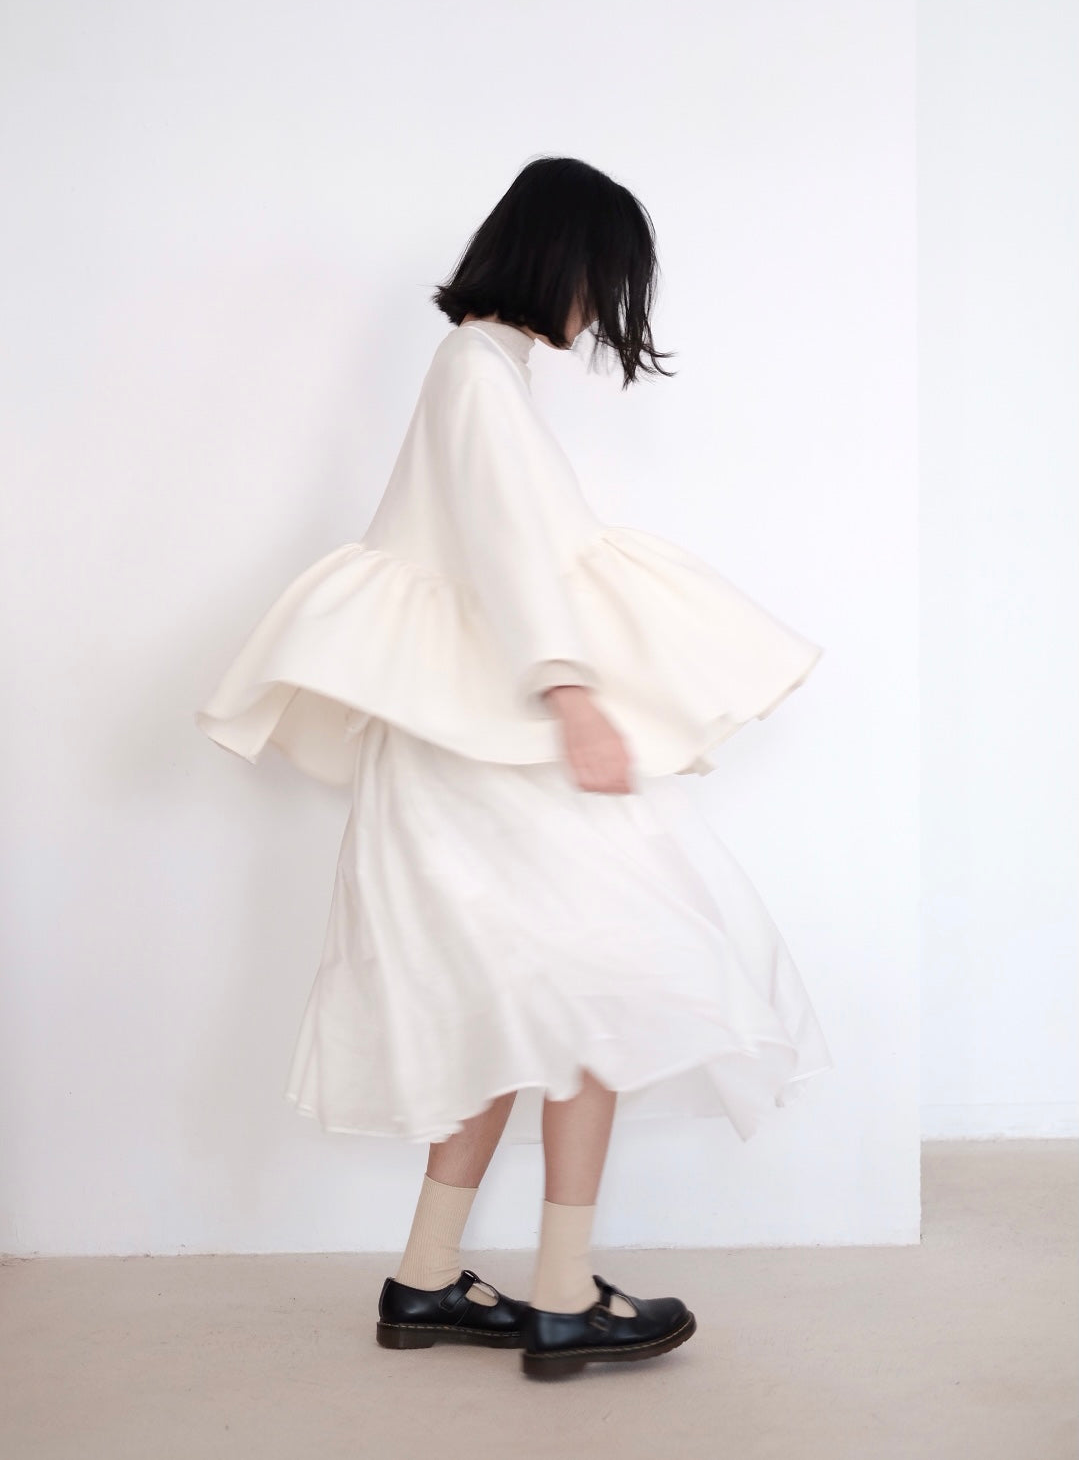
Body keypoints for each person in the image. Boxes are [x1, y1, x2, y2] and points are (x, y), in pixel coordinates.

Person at [196, 155, 833, 1379]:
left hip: (463, 749)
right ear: (559, 258)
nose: (601, 308)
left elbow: (495, 558)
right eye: (602, 278)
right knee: (604, 989)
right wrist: (571, 691)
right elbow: (510, 559)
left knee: (517, 1009)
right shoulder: (479, 375)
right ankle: (560, 1293)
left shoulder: (479, 370)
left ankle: (427, 1278)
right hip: (494, 751)